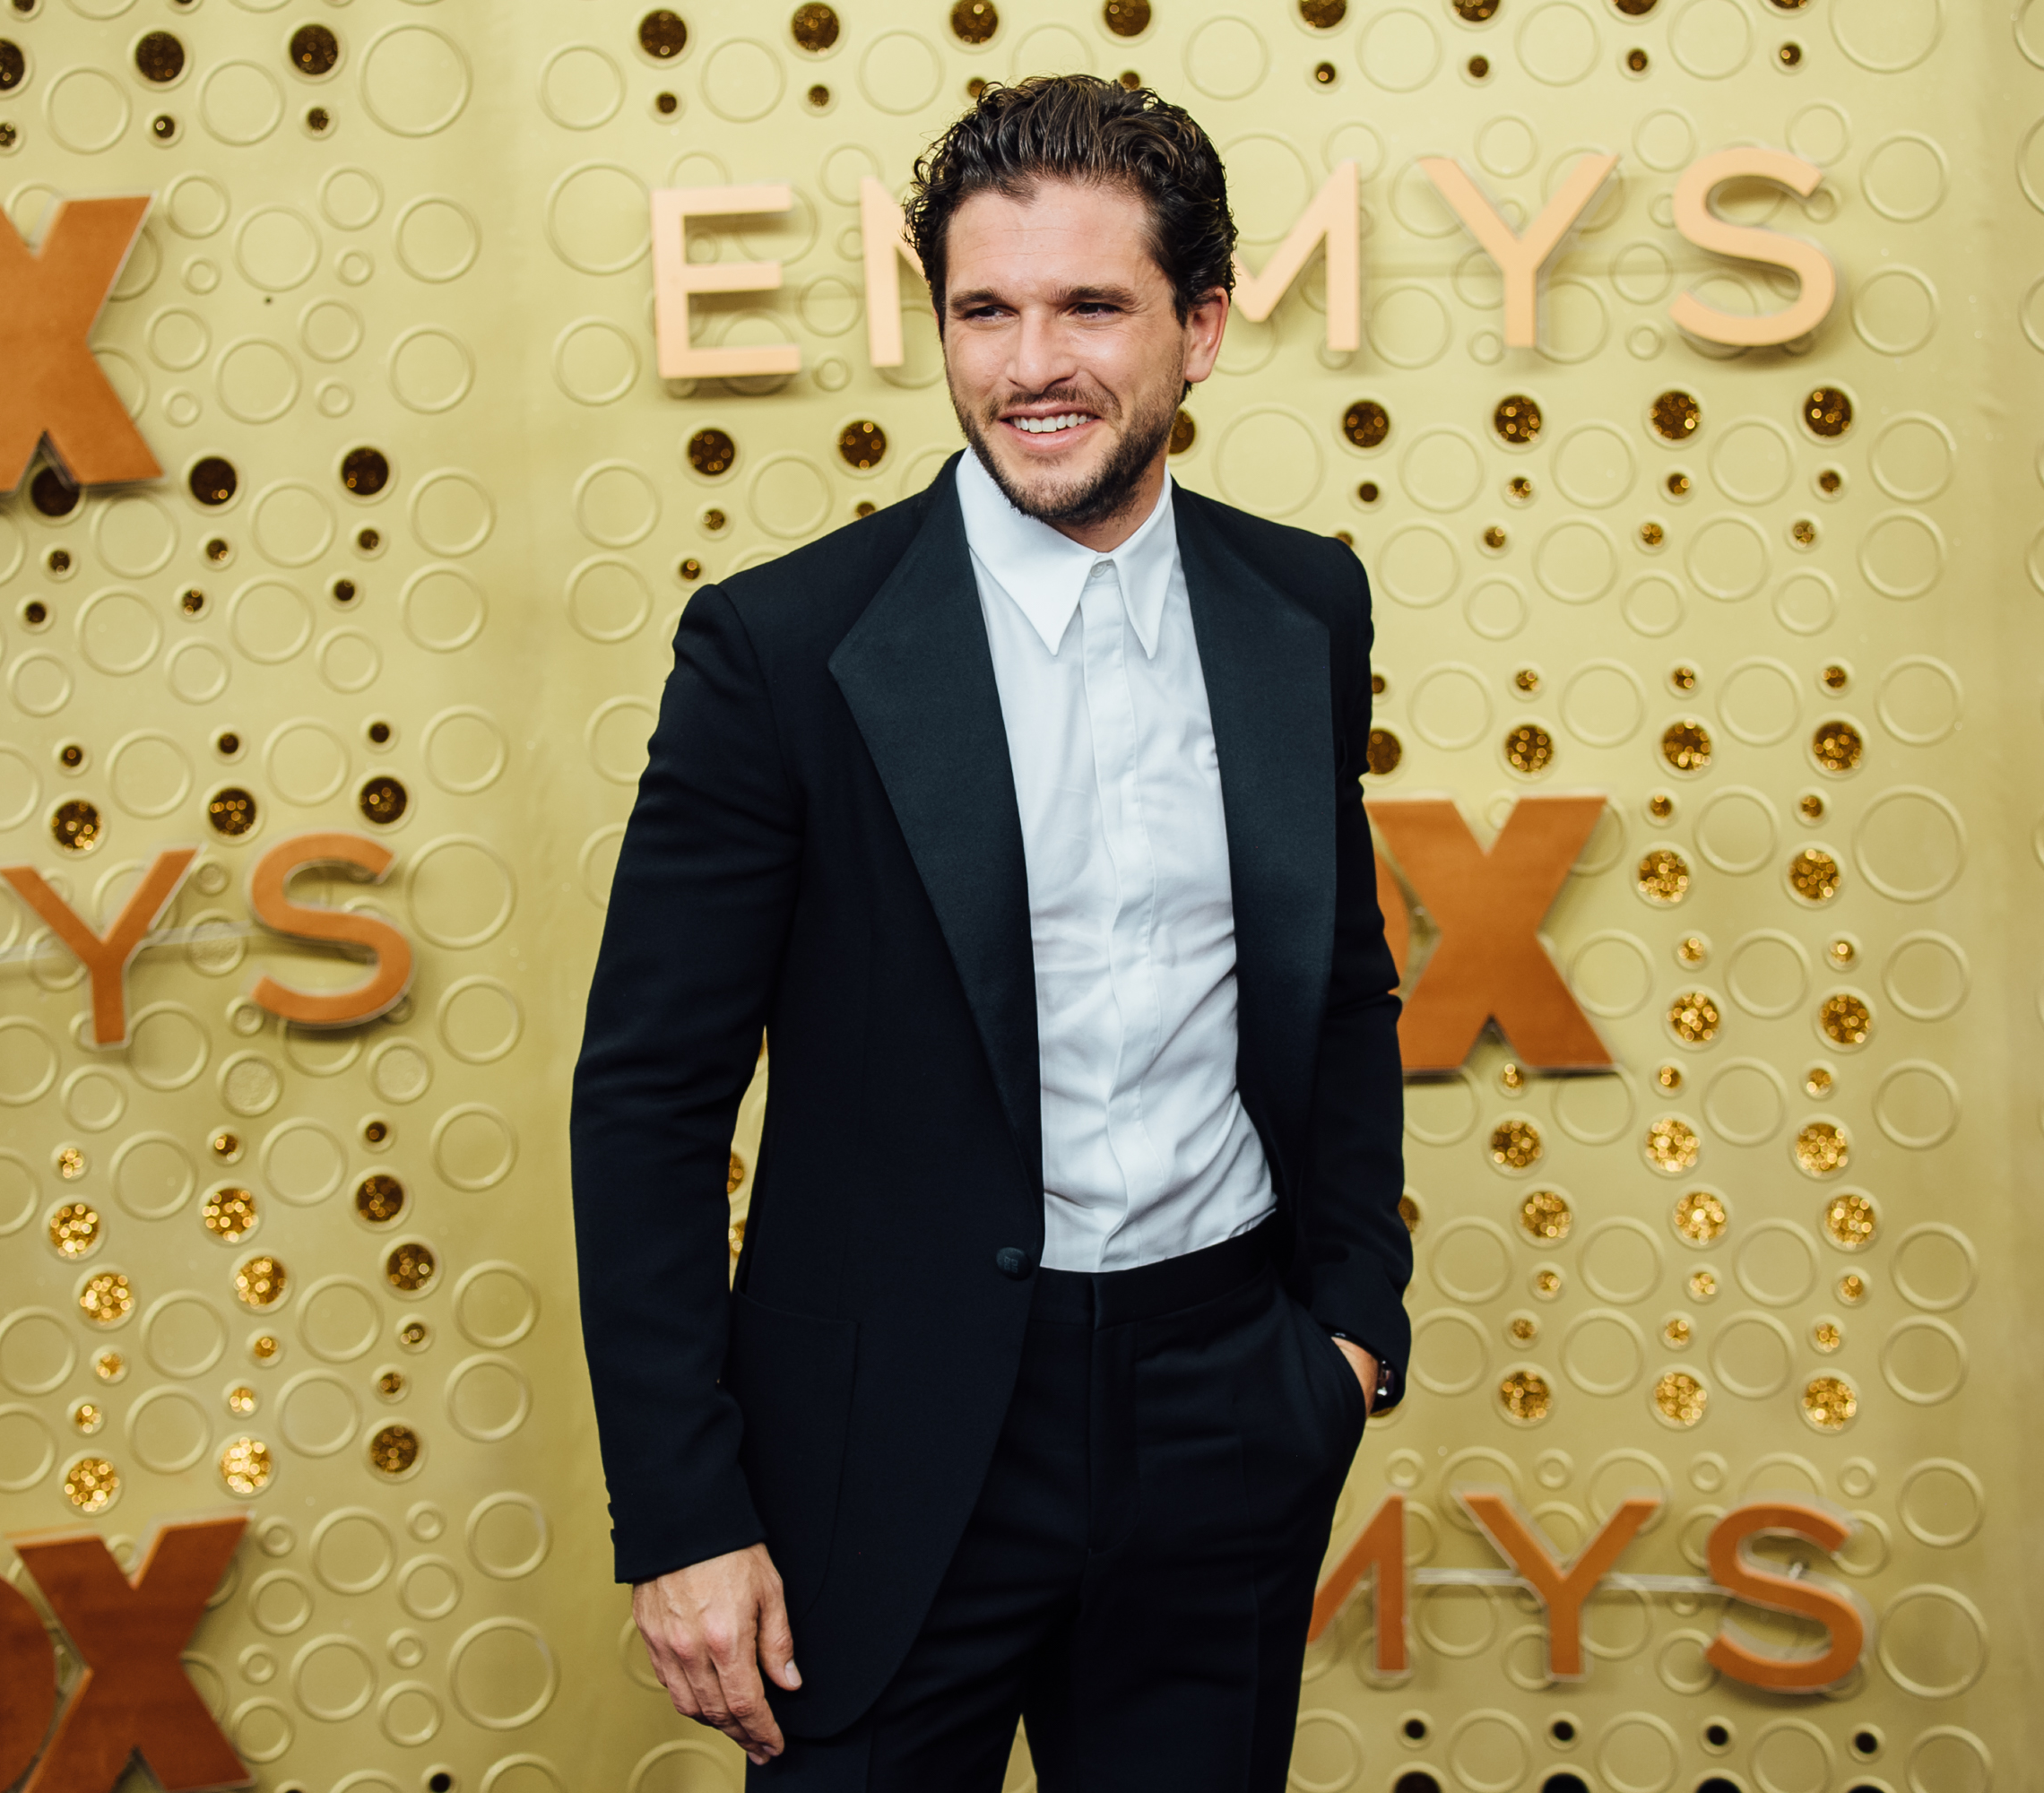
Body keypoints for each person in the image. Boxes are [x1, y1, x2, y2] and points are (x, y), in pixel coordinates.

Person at [570, 73, 1409, 1790]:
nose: (1033, 367)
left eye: (1092, 306)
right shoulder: (781, 651)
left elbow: (1339, 990)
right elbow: (648, 1099)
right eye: (986, 311)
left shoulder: (1302, 605)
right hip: (880, 1453)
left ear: (1203, 326)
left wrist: (1347, 1330)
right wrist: (683, 1511)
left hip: (1223, 1408)